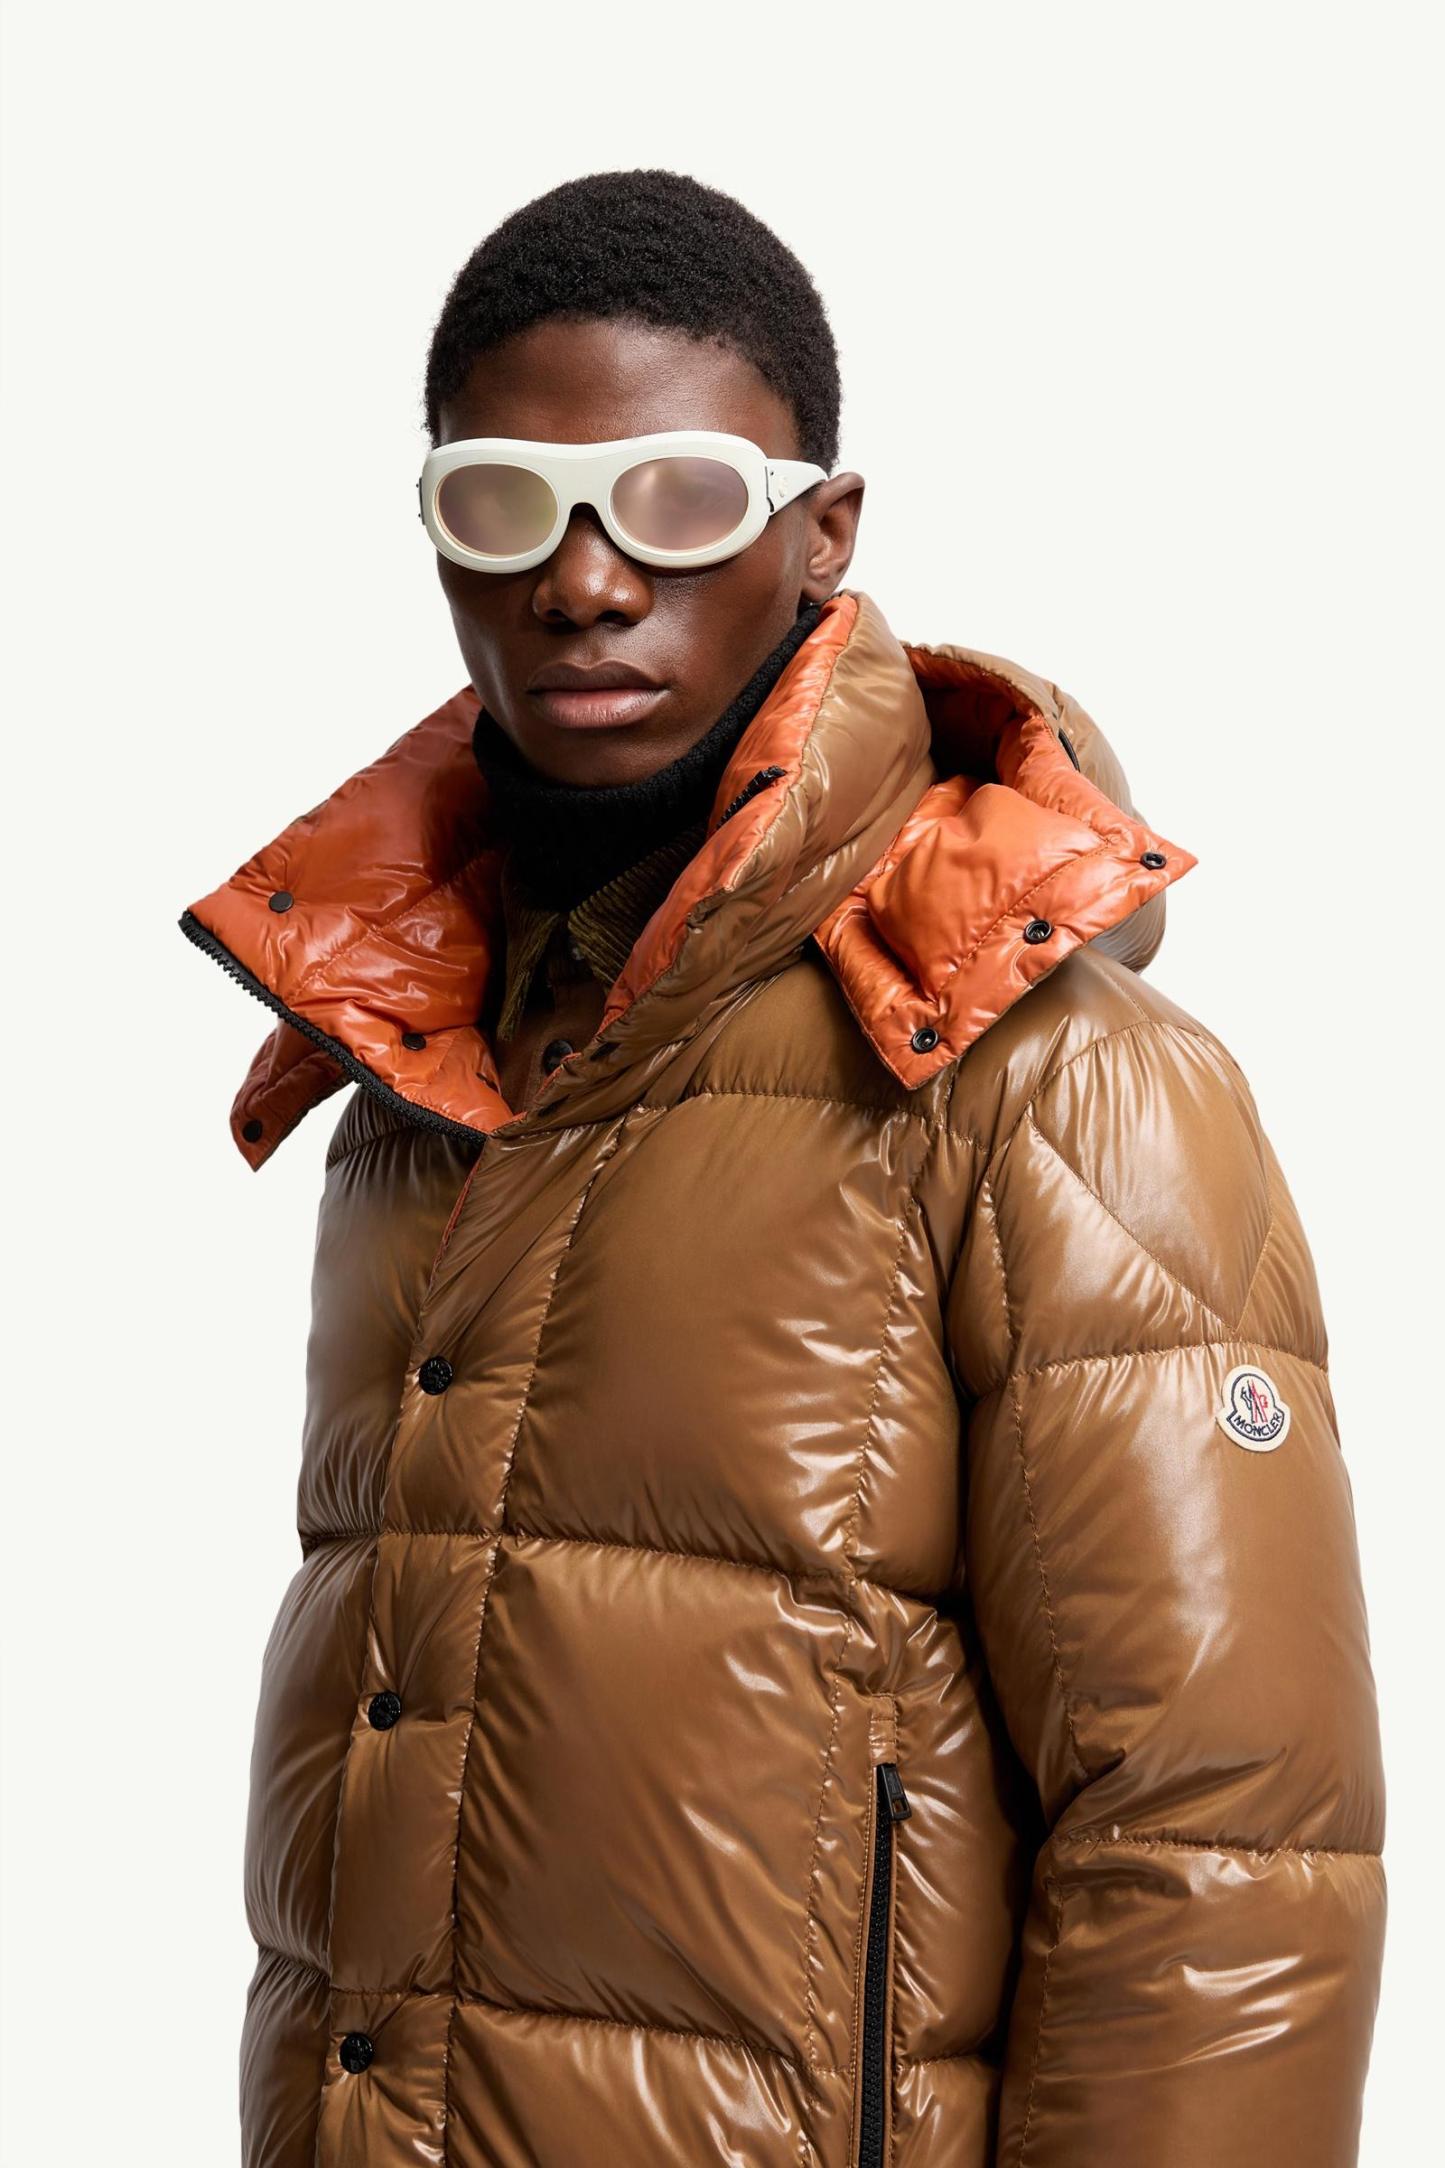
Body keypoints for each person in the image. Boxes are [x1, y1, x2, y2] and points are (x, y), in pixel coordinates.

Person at [178, 168, 1385, 2168]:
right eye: (503, 502)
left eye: (676, 501)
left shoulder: (1055, 1085)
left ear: (824, 533)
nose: (583, 581)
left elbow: (1222, 1857)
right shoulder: (421, 1075)